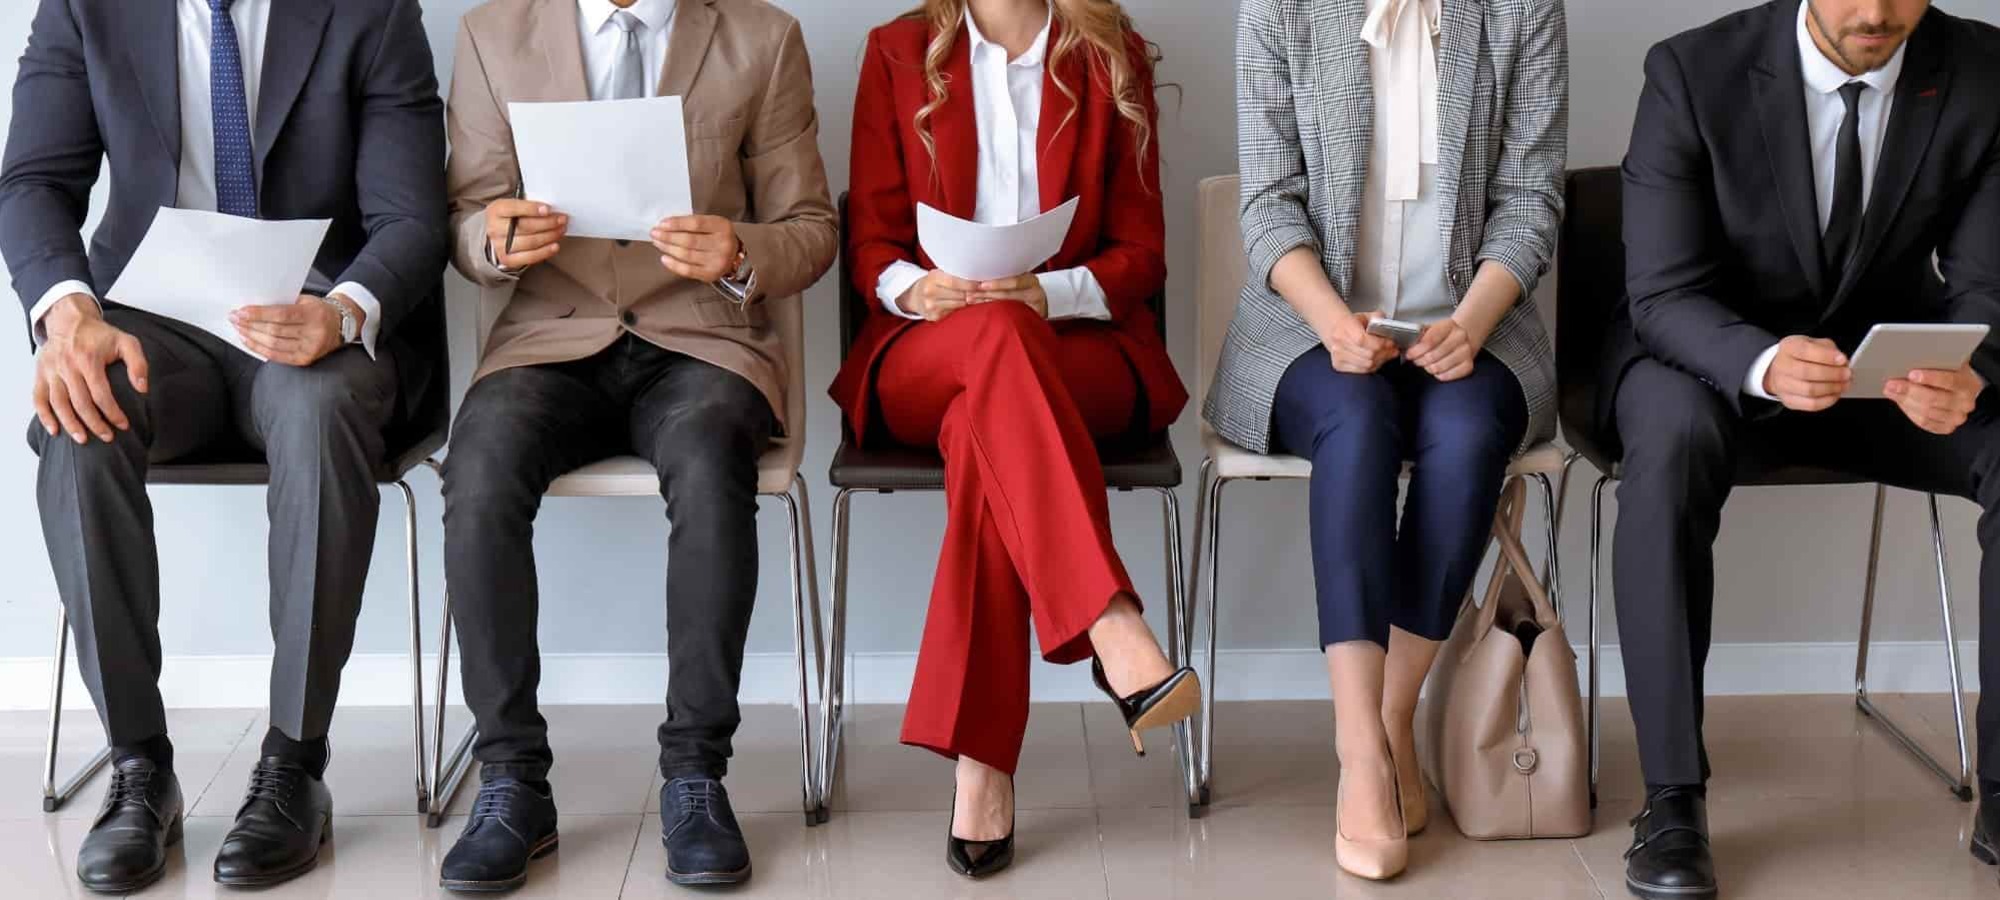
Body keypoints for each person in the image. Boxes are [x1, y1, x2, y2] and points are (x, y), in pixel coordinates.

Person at [0, 0, 446, 890]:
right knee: (81, 414)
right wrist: (69, 312)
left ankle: (292, 762)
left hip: (316, 319)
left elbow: (412, 217)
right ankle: (138, 768)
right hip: (152, 324)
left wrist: (343, 311)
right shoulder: (86, 7)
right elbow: (33, 183)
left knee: (318, 413)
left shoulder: (373, 9)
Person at [435, 0, 836, 890]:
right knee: (480, 464)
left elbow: (811, 229)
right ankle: (511, 780)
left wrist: (738, 251)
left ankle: (695, 774)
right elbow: (464, 221)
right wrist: (495, 239)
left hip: (702, 340)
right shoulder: (492, 34)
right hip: (550, 335)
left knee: (708, 458)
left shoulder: (760, 37)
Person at [1605, 1, 2000, 896]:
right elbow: (1662, 294)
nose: (1876, 12)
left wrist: (1971, 366)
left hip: (1877, 370)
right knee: (1667, 446)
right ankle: (1671, 801)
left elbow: (1988, 285)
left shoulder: (1981, 71)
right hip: (1707, 356)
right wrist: (1763, 361)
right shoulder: (1689, 71)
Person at [830, 0, 1199, 878]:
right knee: (993, 355)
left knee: (990, 425)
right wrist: (917, 293)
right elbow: (871, 238)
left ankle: (983, 766)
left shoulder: (1115, 53)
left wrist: (1047, 293)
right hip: (929, 348)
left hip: (1082, 352)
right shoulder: (896, 51)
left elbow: (1142, 254)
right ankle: (1109, 622)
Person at [1217, 0, 1566, 881]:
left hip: (1474, 325)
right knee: (1358, 421)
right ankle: (1364, 755)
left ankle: (1386, 721)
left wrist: (1474, 322)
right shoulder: (1279, 8)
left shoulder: (1522, 11)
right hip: (1308, 330)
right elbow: (1267, 205)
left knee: (1468, 428)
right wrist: (1336, 324)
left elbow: (1529, 200)